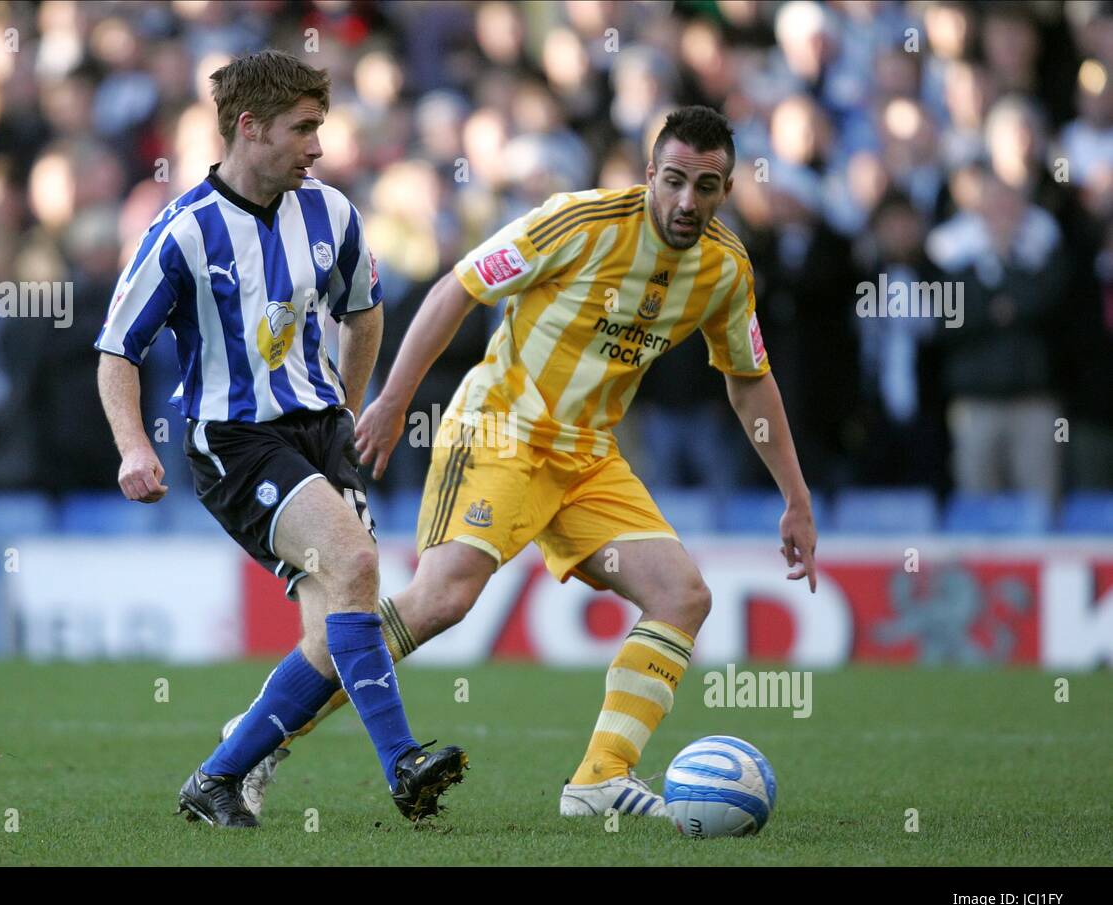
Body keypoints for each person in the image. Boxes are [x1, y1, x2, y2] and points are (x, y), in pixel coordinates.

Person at [231, 105, 818, 820]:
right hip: (499, 433)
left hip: (587, 457)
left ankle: (600, 777)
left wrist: (796, 497)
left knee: (683, 596)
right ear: (649, 176)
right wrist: (390, 400)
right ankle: (260, 734)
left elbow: (749, 378)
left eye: (707, 186)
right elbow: (458, 287)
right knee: (444, 596)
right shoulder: (578, 223)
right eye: (675, 181)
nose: (688, 201)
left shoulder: (725, 269)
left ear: (727, 188)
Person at [94, 50, 466, 828]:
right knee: (358, 563)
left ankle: (218, 776)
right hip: (236, 442)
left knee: (333, 636)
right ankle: (402, 764)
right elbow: (116, 350)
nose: (318, 146)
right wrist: (134, 444)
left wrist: (352, 409)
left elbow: (364, 309)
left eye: (320, 128)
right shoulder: (184, 232)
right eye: (304, 129)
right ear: (249, 127)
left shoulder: (331, 212)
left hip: (320, 432)